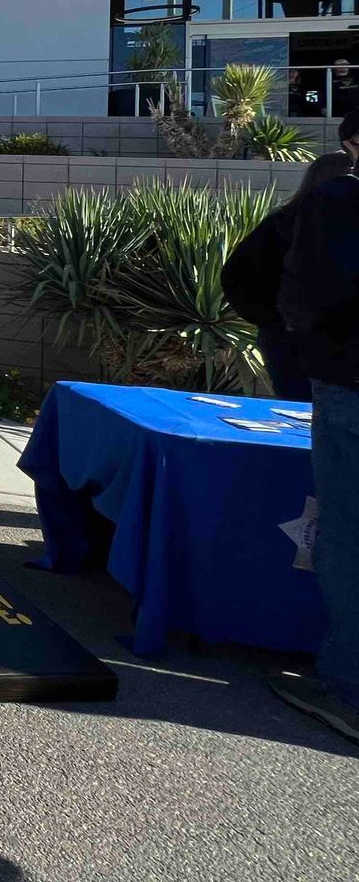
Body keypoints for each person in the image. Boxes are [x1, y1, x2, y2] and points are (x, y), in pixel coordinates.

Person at [271, 110, 359, 740]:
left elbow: (307, 294)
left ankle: (348, 687)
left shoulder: (338, 203)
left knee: (348, 529)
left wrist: (302, 347)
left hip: (350, 381)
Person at [223, 152, 355, 402]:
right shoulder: (283, 225)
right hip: (295, 339)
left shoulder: (286, 222)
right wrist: (272, 320)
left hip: (314, 339)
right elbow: (236, 276)